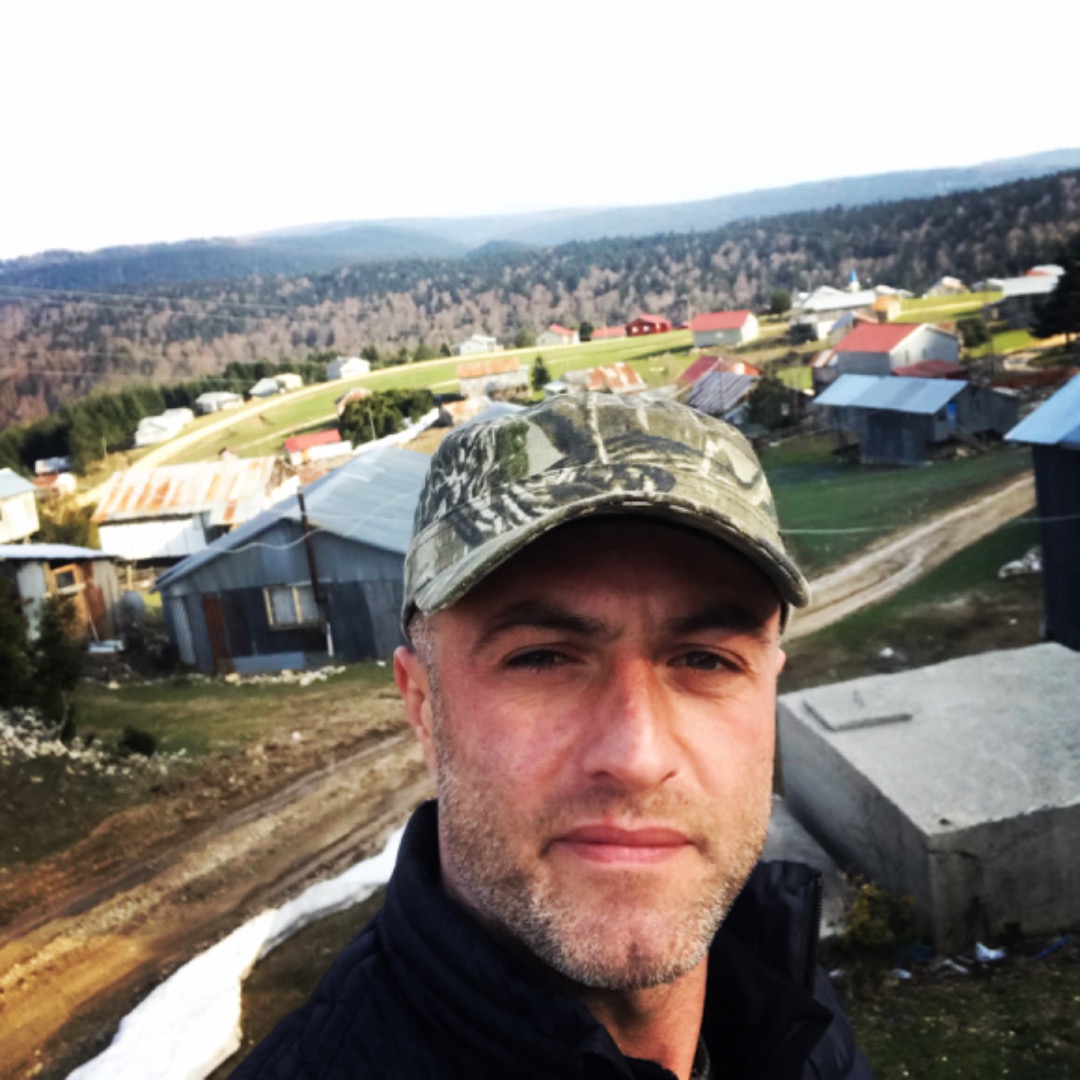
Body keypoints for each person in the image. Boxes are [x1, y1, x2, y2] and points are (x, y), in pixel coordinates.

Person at [234, 393, 872, 1079]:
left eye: (706, 661)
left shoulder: (791, 1008)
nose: (637, 756)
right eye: (541, 658)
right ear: (423, 704)